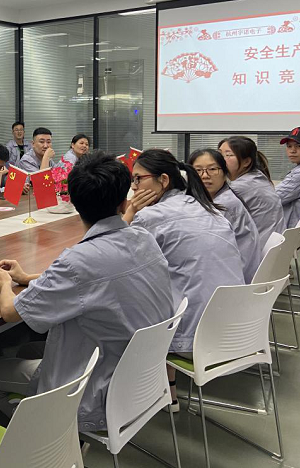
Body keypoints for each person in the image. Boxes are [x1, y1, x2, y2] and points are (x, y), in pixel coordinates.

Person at [0, 151, 173, 433]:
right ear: (124, 202)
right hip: (142, 382)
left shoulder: (78, 261)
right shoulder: (144, 238)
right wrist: (28, 277)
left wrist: (5, 283)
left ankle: (48, 440)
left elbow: (10, 311)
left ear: (73, 202)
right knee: (27, 349)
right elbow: (95, 278)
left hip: (94, 394)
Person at [123, 149, 244, 410]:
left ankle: (137, 395)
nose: (134, 187)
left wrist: (130, 212)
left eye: (138, 179)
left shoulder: (151, 217)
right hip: (237, 333)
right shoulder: (210, 209)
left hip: (195, 341)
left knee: (130, 297)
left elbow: (116, 263)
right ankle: (169, 391)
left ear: (164, 180)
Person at [188, 148, 262, 282]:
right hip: (238, 271)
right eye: (198, 170)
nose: (205, 175)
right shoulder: (220, 197)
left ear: (224, 172)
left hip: (233, 278)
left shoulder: (223, 205)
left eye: (212, 169)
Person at [219, 136, 285, 246]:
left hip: (257, 247)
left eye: (228, 155)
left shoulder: (240, 187)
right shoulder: (258, 177)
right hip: (272, 245)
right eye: (219, 154)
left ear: (246, 162)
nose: (220, 160)